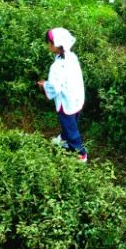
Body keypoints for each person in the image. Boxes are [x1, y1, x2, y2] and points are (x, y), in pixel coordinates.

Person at [38, 28, 88, 162]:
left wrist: (44, 86)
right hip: (76, 97)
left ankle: (80, 154)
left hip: (66, 102)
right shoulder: (71, 56)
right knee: (72, 123)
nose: (47, 45)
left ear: (55, 45)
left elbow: (54, 87)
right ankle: (64, 140)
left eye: (48, 43)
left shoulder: (57, 66)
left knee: (71, 128)